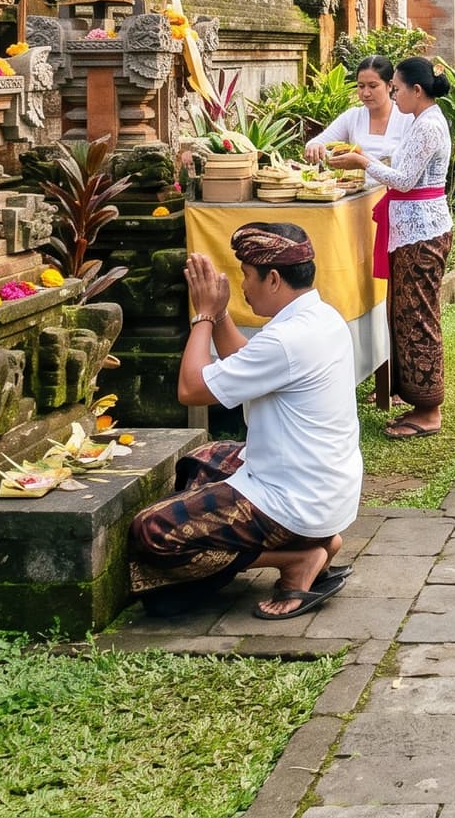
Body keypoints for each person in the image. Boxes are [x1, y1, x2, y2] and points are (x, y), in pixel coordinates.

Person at [126, 222, 363, 620]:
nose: (242, 286)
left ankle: (296, 557)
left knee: (152, 530)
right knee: (203, 460)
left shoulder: (287, 340)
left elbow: (190, 389)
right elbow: (243, 362)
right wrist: (219, 316)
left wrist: (202, 315)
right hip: (326, 490)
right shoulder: (321, 319)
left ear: (273, 278)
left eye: (246, 276)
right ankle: (319, 539)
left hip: (294, 501)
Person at [326, 55, 453, 437]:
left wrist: (362, 162)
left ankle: (429, 410)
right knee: (405, 314)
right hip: (412, 229)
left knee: (418, 318)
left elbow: (403, 180)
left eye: (395, 89)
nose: (393, 96)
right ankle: (413, 396)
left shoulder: (429, 125)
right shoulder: (421, 121)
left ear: (417, 90)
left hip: (422, 230)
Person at [304, 55, 411, 165]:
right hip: (354, 182)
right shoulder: (353, 117)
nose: (366, 93)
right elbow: (319, 141)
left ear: (389, 85)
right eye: (361, 86)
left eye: (373, 86)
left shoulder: (407, 118)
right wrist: (314, 146)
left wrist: (363, 162)